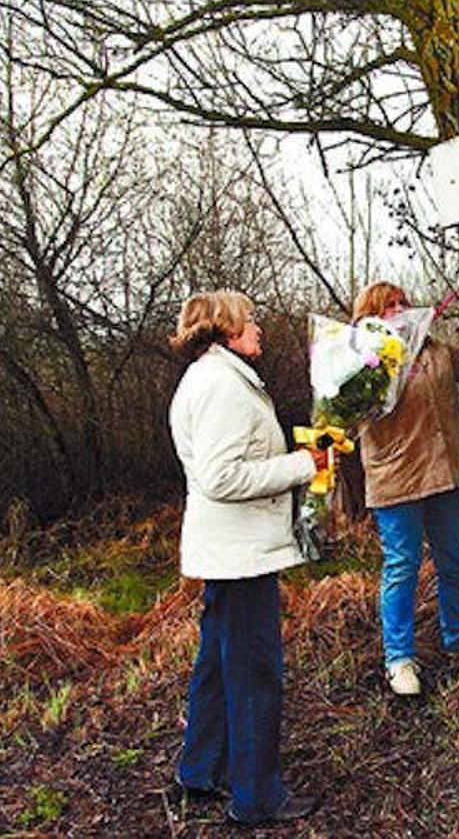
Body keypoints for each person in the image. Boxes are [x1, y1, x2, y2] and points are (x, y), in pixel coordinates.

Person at [168, 290, 327, 825]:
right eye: (251, 319)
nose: (259, 327)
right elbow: (221, 477)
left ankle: (200, 770)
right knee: (255, 673)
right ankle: (257, 797)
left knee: (216, 665)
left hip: (228, 552)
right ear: (227, 327)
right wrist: (301, 466)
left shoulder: (214, 377)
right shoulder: (220, 386)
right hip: (239, 557)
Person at [354, 282, 459, 696]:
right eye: (388, 307)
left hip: (446, 475)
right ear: (370, 317)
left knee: (453, 561)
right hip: (396, 479)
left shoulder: (436, 350)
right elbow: (350, 415)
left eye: (403, 303)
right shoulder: (362, 360)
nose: (400, 311)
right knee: (402, 566)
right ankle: (398, 660)